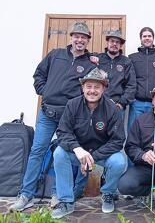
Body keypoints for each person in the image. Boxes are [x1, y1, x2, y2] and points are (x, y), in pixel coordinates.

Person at [10, 22, 96, 211]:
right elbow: (38, 75)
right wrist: (45, 91)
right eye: (77, 36)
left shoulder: (91, 64)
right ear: (71, 37)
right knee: (37, 152)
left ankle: (57, 194)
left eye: (84, 37)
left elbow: (93, 89)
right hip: (47, 113)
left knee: (63, 154)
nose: (80, 40)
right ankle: (26, 195)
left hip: (70, 117)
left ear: (88, 40)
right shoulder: (55, 55)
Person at [51, 68, 126, 219]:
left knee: (119, 162)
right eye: (89, 86)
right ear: (82, 87)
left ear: (104, 89)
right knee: (59, 153)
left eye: (97, 87)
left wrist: (93, 157)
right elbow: (62, 132)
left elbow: (117, 140)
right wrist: (77, 149)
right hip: (78, 153)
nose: (92, 91)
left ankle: (108, 193)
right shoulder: (72, 105)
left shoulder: (112, 109)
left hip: (102, 153)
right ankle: (66, 201)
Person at [128, 27, 155, 131]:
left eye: (149, 36)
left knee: (154, 132)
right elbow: (129, 79)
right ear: (141, 39)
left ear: (153, 38)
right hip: (136, 103)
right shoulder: (132, 57)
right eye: (144, 36)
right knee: (134, 131)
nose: (147, 38)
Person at [96, 30, 136, 115]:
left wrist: (121, 103)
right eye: (112, 41)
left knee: (115, 128)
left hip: (117, 106)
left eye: (117, 42)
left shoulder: (126, 62)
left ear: (121, 45)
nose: (114, 44)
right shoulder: (98, 59)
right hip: (98, 104)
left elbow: (131, 85)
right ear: (107, 42)